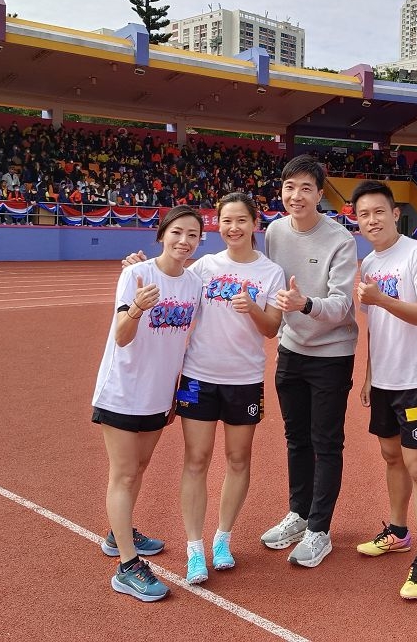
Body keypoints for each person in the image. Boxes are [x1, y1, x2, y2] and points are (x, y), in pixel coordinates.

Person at [121, 192, 285, 584]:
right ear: (218, 225)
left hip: (244, 379)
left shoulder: (270, 272)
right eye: (226, 221)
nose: (233, 228)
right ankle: (195, 548)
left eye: (241, 220)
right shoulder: (205, 267)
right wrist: (138, 267)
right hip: (198, 377)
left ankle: (222, 539)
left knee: (238, 459)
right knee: (196, 459)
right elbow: (170, 282)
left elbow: (272, 328)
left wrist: (253, 308)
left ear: (254, 224)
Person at [92, 205, 204, 602]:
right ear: (162, 235)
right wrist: (139, 307)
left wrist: (181, 394)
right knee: (123, 474)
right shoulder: (137, 274)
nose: (184, 241)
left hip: (159, 395)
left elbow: (189, 343)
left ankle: (118, 532)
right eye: (177, 232)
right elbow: (122, 336)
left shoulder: (194, 283)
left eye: (193, 235)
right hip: (124, 391)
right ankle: (127, 567)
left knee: (138, 468)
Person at [260, 155, 358, 568]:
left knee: (326, 441)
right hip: (291, 350)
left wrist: (305, 305)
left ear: (320, 194)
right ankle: (299, 514)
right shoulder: (274, 231)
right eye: (289, 187)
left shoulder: (340, 240)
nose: (296, 195)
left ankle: (320, 529)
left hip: (332, 354)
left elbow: (341, 304)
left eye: (305, 188)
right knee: (295, 438)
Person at [351, 180, 417, 600]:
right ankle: (398, 531)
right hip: (386, 381)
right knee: (391, 457)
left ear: (394, 214)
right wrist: (370, 374)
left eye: (378, 212)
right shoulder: (369, 263)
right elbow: (375, 326)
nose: (371, 220)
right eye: (363, 214)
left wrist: (381, 299)